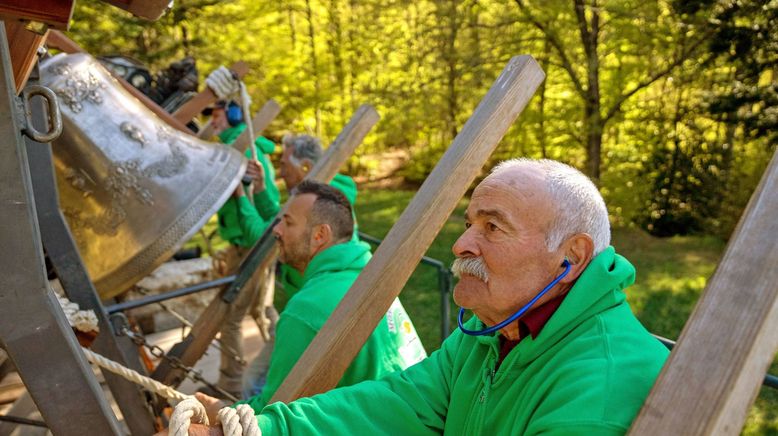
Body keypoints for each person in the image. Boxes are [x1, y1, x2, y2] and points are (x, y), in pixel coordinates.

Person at [181, 158, 669, 435]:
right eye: (469, 223)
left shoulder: (599, 386)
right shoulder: (489, 332)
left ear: (572, 257)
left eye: (493, 226)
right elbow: (396, 403)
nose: (461, 245)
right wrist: (262, 430)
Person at [197, 180, 426, 419]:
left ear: (319, 235)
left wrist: (220, 412)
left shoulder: (307, 310)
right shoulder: (367, 275)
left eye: (288, 222)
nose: (277, 230)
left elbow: (275, 413)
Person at [204, 100, 281, 399]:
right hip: (243, 245)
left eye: (216, 113)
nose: (212, 120)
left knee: (232, 318)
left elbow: (267, 205)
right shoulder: (229, 149)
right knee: (260, 310)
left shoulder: (247, 151)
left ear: (235, 115)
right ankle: (282, 357)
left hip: (252, 247)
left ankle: (232, 386)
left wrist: (244, 190)